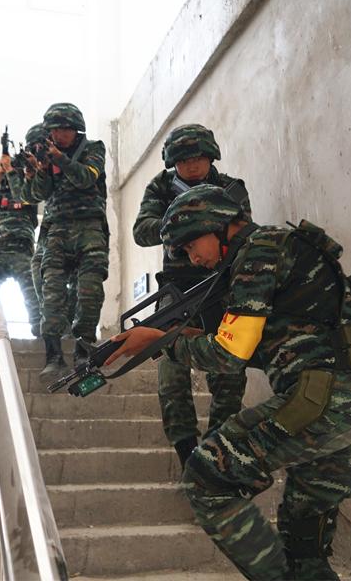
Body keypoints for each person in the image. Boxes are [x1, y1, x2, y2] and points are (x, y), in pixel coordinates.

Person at [106, 185, 351, 580]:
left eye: (191, 245)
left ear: (217, 225)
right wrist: (192, 337)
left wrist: (162, 343)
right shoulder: (285, 245)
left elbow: (228, 357)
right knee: (304, 545)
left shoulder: (257, 252)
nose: (193, 258)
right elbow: (283, 343)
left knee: (205, 477)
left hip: (319, 405)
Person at [132, 123, 251, 468]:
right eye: (184, 161)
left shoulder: (230, 188)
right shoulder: (161, 187)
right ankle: (187, 454)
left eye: (198, 158)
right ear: (173, 163)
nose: (192, 166)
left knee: (229, 374)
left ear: (211, 156)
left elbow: (243, 233)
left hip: (220, 285)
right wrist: (182, 220)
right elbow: (141, 231)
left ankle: (215, 456)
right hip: (177, 289)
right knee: (171, 372)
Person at [27, 103, 108, 381]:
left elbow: (86, 178)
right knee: (51, 293)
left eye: (64, 129)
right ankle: (53, 356)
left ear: (76, 129)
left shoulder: (93, 149)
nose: (58, 135)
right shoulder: (49, 155)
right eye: (54, 130)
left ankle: (84, 351)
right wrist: (40, 169)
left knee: (90, 292)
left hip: (90, 228)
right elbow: (38, 194)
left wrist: (60, 159)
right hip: (57, 230)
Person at [6, 123, 78, 340]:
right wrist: (28, 172)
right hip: (50, 229)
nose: (37, 152)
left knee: (75, 281)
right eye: (33, 148)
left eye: (39, 146)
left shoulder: (68, 160)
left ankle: (69, 327)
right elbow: (26, 196)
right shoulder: (43, 168)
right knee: (38, 269)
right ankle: (56, 326)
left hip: (75, 228)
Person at [0, 142, 42, 337]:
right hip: (0, 250)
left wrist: (10, 171)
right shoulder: (2, 191)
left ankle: (39, 331)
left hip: (21, 251)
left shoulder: (29, 189)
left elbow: (21, 196)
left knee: (32, 293)